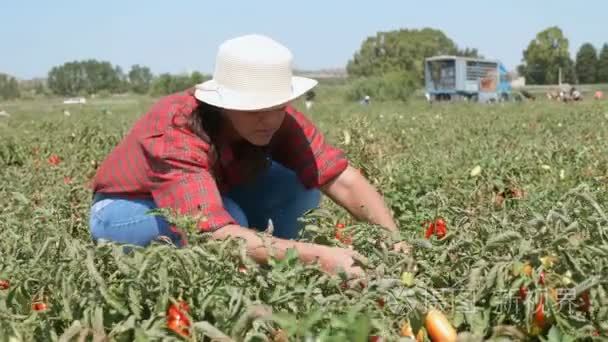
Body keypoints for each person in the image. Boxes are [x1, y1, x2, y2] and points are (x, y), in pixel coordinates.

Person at [89, 34, 402, 278]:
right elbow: (213, 233)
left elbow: (341, 179)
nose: (268, 119)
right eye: (255, 108)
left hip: (207, 197)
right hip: (123, 208)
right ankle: (243, 269)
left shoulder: (278, 119)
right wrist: (321, 257)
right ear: (224, 103)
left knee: (296, 186)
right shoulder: (178, 128)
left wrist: (395, 242)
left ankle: (274, 268)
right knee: (231, 219)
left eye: (277, 106)